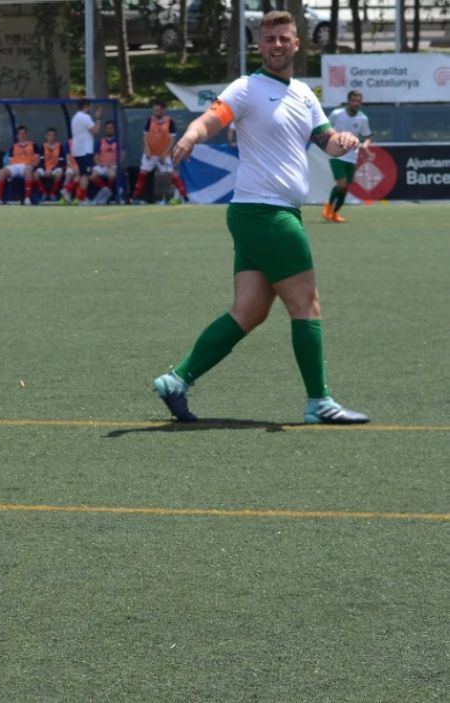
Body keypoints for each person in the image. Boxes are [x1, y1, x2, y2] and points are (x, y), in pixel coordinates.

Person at [152, 10, 369, 426]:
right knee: (306, 305)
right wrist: (192, 136)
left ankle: (176, 380)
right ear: (259, 45)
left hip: (264, 214)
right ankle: (319, 401)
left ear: (296, 43)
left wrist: (341, 141)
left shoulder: (305, 94)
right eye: (269, 39)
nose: (276, 45)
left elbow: (327, 141)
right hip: (266, 213)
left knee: (249, 312)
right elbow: (211, 119)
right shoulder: (247, 88)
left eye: (283, 38)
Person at [323, 90, 372, 224]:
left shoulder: (362, 118)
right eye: (354, 100)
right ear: (349, 101)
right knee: (342, 183)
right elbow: (324, 127)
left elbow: (367, 136)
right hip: (336, 153)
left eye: (359, 101)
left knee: (345, 187)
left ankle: (335, 213)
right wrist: (332, 141)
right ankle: (328, 207)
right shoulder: (337, 114)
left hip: (352, 156)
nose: (356, 103)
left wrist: (366, 145)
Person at [131, 100, 189, 204]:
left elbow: (172, 140)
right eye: (154, 110)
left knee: (172, 175)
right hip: (150, 153)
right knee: (143, 173)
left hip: (163, 154)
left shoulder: (169, 122)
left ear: (163, 110)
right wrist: (147, 150)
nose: (155, 113)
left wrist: (164, 154)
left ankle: (185, 197)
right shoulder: (150, 120)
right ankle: (135, 197)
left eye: (157, 110)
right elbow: (145, 136)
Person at [0, 125, 40, 205]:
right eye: (20, 134)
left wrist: (31, 165)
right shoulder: (13, 147)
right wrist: (9, 172)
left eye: (24, 133)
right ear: (17, 135)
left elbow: (37, 161)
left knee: (28, 171)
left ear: (27, 134)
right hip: (15, 166)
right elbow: (9, 162)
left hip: (27, 166)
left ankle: (27, 198)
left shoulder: (34, 145)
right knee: (1, 172)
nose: (22, 135)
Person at [69, 98, 104, 204]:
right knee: (86, 175)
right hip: (85, 150)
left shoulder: (74, 117)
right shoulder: (85, 117)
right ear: (87, 106)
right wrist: (98, 118)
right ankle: (82, 199)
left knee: (82, 173)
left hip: (77, 150)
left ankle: (69, 191)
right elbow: (96, 131)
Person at [90, 120, 121, 203]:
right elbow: (95, 157)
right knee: (92, 176)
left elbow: (122, 156)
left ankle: (108, 194)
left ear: (114, 129)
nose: (109, 130)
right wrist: (99, 163)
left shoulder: (118, 142)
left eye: (111, 128)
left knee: (111, 175)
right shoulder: (100, 142)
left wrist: (113, 163)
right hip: (102, 165)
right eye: (107, 128)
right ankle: (106, 190)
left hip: (113, 165)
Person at [36, 127, 68, 203]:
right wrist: (45, 169)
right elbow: (41, 161)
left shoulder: (60, 146)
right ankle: (44, 193)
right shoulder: (43, 146)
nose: (51, 137)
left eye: (53, 135)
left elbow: (61, 162)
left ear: (56, 136)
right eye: (49, 135)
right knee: (35, 175)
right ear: (46, 136)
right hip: (45, 168)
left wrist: (52, 170)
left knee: (59, 174)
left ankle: (52, 194)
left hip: (56, 168)